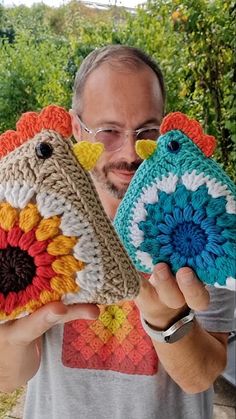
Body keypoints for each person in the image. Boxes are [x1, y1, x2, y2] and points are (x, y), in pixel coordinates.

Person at [0, 45, 234, 419]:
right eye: (108, 130)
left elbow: (202, 376)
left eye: (147, 130)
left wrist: (167, 319)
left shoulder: (198, 222)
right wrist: (18, 336)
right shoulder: (39, 222)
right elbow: (7, 378)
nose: (130, 151)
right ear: (76, 130)